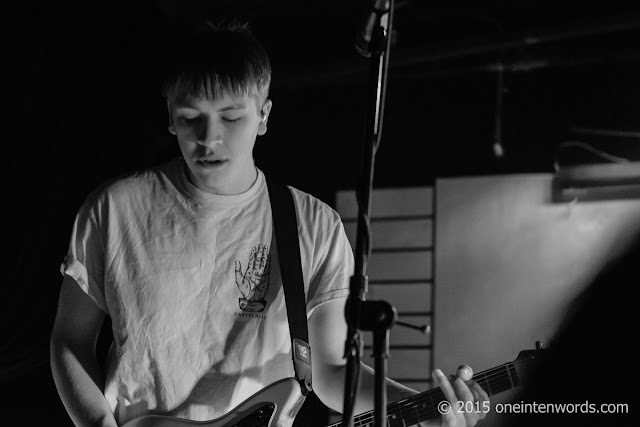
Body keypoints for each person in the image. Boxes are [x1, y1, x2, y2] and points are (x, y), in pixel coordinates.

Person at [50, 20, 489, 427]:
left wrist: (428, 408)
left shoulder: (313, 226)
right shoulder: (114, 209)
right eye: (189, 118)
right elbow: (70, 340)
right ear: (169, 117)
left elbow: (331, 371)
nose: (209, 138)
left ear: (264, 115)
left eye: (232, 117)